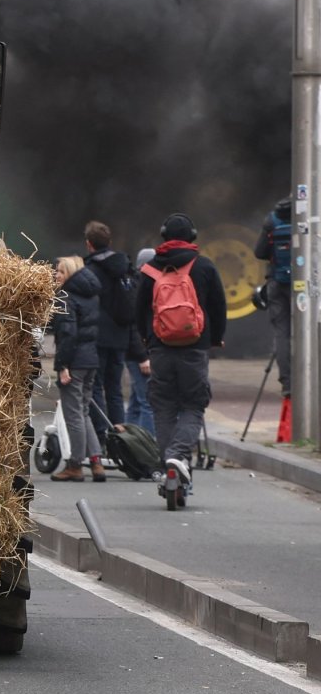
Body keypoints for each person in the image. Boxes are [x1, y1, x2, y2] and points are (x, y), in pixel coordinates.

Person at [136, 213, 226, 499]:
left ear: (163, 235)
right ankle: (177, 456)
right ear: (193, 236)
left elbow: (138, 310)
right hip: (194, 348)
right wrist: (214, 338)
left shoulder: (150, 269)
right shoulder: (205, 266)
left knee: (163, 406)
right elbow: (218, 306)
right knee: (193, 404)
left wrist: (147, 339)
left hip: (160, 348)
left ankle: (168, 464)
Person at [49, 255, 107, 482]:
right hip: (91, 359)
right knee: (83, 412)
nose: (56, 275)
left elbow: (67, 334)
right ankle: (96, 462)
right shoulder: (91, 295)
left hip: (74, 362)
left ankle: (75, 464)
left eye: (60, 272)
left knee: (73, 414)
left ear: (70, 274)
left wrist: (63, 365)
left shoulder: (66, 297)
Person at [82, 221, 138, 427]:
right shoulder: (125, 268)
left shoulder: (90, 270)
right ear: (110, 242)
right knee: (114, 389)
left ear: (89, 244)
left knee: (95, 388)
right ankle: (119, 438)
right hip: (120, 337)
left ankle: (101, 436)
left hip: (97, 338)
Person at [255, 194, 294, 395]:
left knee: (282, 332)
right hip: (303, 284)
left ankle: (287, 383)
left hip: (276, 283)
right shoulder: (308, 215)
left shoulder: (272, 219)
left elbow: (259, 252)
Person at [125, 248, 157, 430]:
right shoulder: (139, 288)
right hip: (138, 354)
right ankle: (148, 446)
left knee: (137, 401)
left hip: (136, 352)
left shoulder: (137, 285)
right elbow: (134, 325)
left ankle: (128, 443)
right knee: (147, 402)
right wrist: (143, 357)